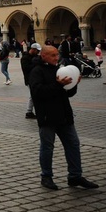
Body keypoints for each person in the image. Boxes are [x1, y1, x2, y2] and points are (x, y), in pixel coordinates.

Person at [29, 45, 98, 191]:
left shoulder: (58, 69)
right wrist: (58, 84)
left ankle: (75, 176)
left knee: (73, 144)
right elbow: (38, 93)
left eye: (57, 54)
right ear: (44, 56)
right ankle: (46, 176)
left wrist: (73, 85)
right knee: (47, 147)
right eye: (53, 55)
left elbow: (67, 94)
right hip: (47, 117)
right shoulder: (37, 71)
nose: (57, 57)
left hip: (64, 115)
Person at [20, 43, 42, 119]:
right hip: (29, 79)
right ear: (33, 49)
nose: (38, 52)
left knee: (33, 95)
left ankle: (30, 111)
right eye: (37, 50)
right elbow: (26, 68)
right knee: (33, 96)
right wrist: (35, 64)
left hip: (36, 78)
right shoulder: (25, 58)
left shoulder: (35, 57)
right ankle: (29, 112)